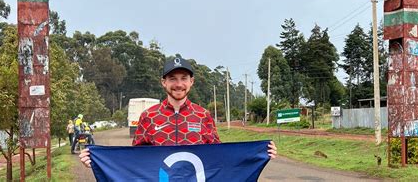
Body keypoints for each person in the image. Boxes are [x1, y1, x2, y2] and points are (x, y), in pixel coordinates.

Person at [80, 56, 277, 167]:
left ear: (191, 82)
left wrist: (258, 154)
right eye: (172, 78)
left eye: (184, 78)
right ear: (163, 82)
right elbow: (135, 161)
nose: (178, 84)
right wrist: (97, 162)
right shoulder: (148, 117)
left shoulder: (203, 116)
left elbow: (219, 157)